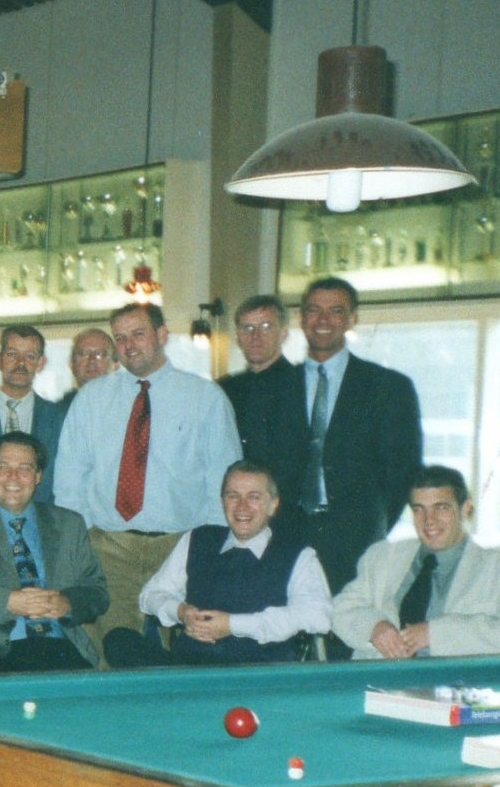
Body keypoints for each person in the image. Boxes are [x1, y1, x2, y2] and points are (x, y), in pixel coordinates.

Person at [53, 302, 241, 656]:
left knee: (189, 653)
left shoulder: (205, 398)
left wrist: (206, 548)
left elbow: (224, 480)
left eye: (138, 334)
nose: (129, 345)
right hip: (110, 548)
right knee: (111, 651)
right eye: (120, 337)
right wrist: (85, 537)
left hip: (181, 547)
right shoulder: (92, 399)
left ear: (162, 335)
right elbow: (70, 479)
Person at [102, 462, 331, 667]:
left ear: (273, 505)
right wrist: (181, 612)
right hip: (189, 666)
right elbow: (150, 595)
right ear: (222, 503)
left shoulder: (298, 555)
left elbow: (318, 617)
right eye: (233, 496)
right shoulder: (198, 539)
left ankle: (180, 693)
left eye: (253, 497)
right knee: (118, 640)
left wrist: (232, 625)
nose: (242, 507)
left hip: (255, 671)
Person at [285, 277, 423, 595]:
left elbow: (404, 470)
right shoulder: (276, 386)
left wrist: (372, 525)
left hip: (357, 542)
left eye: (335, 311)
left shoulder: (387, 387)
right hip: (286, 539)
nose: (323, 320)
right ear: (301, 317)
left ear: (352, 319)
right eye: (314, 310)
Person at [0, 431, 108, 672]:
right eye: (3, 467)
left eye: (25, 468)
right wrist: (7, 602)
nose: (12, 477)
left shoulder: (69, 524)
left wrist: (67, 604)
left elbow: (97, 592)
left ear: (38, 476)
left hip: (61, 647)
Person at [331, 465, 500, 660]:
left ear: (465, 509)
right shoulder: (382, 557)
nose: (429, 521)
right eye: (419, 509)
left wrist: (435, 634)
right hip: (379, 682)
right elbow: (339, 609)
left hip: (458, 685)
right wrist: (374, 627)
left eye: (441, 508)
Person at [217, 296, 307, 527]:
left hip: (292, 516)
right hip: (237, 515)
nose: (255, 336)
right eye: (247, 328)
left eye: (266, 327)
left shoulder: (306, 387)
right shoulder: (224, 391)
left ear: (283, 333)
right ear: (237, 337)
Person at [0, 324, 65, 504]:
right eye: (12, 354)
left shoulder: (58, 418)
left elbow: (66, 479)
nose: (20, 363)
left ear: (41, 363)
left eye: (30, 356)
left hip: (40, 517)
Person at [58, 328, 117, 413]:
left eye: (100, 354)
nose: (92, 360)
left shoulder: (131, 408)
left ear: (115, 366)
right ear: (71, 365)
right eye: (83, 354)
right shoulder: (57, 413)